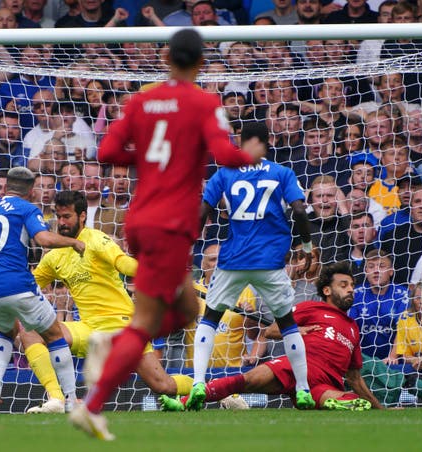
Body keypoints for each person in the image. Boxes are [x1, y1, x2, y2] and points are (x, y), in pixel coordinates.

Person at [68, 29, 264, 441]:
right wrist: (251, 155)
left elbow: (106, 154)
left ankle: (115, 351)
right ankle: (95, 396)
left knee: (187, 310)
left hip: (138, 221)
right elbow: (225, 156)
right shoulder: (204, 103)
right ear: (201, 62)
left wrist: (148, 156)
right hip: (171, 224)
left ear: (166, 57)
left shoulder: (140, 101)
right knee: (147, 322)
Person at [16, 191, 194, 414]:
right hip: (90, 329)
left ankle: (210, 388)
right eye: (59, 217)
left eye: (67, 217)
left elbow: (124, 263)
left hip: (122, 327)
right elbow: (26, 287)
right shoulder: (54, 256)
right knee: (30, 331)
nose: (61, 223)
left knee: (163, 385)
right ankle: (58, 399)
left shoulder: (97, 239)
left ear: (82, 216)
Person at [191, 121, 315, 413]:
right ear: (266, 142)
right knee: (287, 324)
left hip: (233, 260)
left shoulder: (224, 173)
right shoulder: (282, 172)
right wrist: (307, 247)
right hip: (270, 262)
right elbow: (299, 210)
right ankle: (304, 389)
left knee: (210, 317)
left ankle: (198, 382)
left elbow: (203, 211)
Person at [0, 167, 85, 415]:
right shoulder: (27, 209)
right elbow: (43, 239)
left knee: (5, 331)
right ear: (31, 191)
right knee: (54, 335)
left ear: (6, 187)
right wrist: (74, 242)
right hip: (18, 285)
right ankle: (71, 399)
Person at [159, 262, 384, 411]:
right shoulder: (311, 308)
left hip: (326, 382)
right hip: (298, 365)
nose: (351, 289)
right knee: (247, 381)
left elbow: (354, 377)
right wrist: (299, 331)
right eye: (344, 285)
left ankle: (340, 402)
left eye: (352, 285)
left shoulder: (353, 328)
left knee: (352, 401)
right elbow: (271, 330)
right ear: (327, 290)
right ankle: (184, 403)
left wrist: (380, 409)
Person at [348, 249, 409, 360]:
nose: (376, 271)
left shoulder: (403, 295)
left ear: (391, 271)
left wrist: (392, 357)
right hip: (361, 359)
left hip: (393, 361)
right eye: (371, 267)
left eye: (381, 266)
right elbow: (350, 327)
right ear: (366, 271)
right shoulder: (356, 294)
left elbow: (403, 329)